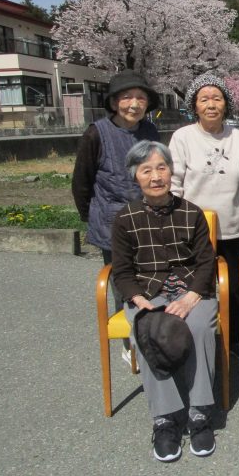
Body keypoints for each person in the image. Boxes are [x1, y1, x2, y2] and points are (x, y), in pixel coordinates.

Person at [111, 140, 219, 462]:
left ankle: (199, 412)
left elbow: (206, 262)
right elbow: (121, 270)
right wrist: (137, 298)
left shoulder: (191, 213)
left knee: (199, 327)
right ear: (136, 176)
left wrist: (192, 296)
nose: (156, 176)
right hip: (148, 291)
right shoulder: (125, 218)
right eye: (146, 170)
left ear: (171, 171)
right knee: (150, 330)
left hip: (191, 288)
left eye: (161, 168)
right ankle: (165, 419)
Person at [72, 70, 160, 366]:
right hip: (112, 223)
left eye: (140, 98)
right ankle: (129, 343)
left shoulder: (150, 131)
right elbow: (81, 182)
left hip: (148, 218)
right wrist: (92, 217)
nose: (134, 104)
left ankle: (150, 333)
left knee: (151, 280)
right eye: (127, 97)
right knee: (123, 284)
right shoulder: (96, 133)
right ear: (113, 102)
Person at [169, 74, 239, 358]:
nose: (211, 105)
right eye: (204, 99)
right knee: (194, 286)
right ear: (194, 105)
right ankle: (193, 339)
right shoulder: (183, 137)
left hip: (232, 226)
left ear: (226, 104)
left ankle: (235, 340)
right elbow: (174, 183)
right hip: (193, 230)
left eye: (217, 98)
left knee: (234, 288)